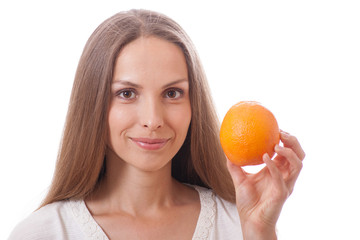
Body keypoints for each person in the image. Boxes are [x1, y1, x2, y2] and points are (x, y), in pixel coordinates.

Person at [9, 9, 305, 240]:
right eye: (127, 93)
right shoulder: (44, 232)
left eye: (172, 93)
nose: (153, 120)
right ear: (94, 104)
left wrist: (258, 231)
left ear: (193, 105)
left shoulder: (238, 223)